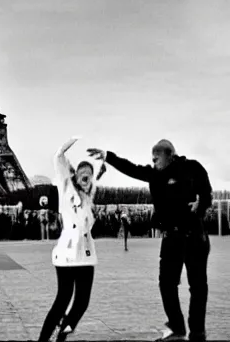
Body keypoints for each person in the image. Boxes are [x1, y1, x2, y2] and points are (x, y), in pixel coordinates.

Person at [88, 140, 212, 342]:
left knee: (197, 286)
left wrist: (202, 203)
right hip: (171, 237)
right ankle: (177, 327)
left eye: (156, 158)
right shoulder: (155, 174)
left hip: (194, 236)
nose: (153, 161)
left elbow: (207, 193)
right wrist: (108, 156)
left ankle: (197, 332)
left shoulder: (192, 168)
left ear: (169, 154)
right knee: (166, 284)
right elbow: (131, 168)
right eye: (152, 158)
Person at [39, 137, 106, 342]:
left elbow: (92, 186)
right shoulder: (67, 187)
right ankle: (43, 339)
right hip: (68, 252)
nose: (86, 177)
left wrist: (100, 170)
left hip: (86, 253)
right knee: (63, 299)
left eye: (89, 175)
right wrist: (64, 148)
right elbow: (59, 161)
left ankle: (62, 334)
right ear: (76, 175)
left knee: (82, 302)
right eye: (82, 174)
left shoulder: (89, 197)